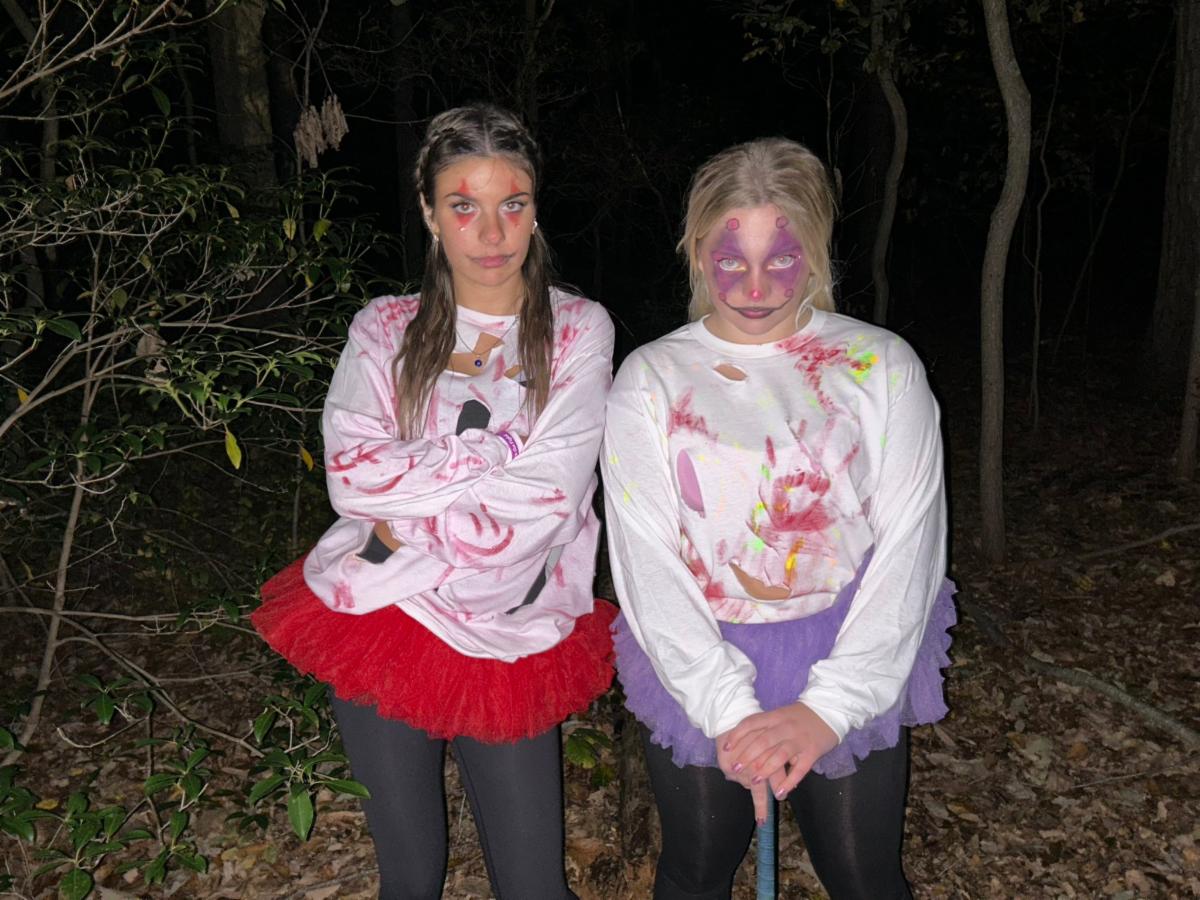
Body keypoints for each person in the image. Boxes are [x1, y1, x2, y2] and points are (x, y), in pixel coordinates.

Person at [252, 103, 616, 900]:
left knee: (534, 885)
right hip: (382, 613)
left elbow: (550, 496)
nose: (492, 232)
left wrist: (416, 493)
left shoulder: (578, 331)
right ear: (428, 211)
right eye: (464, 205)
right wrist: (490, 454)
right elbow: (351, 475)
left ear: (534, 208)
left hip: (510, 626)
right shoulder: (384, 330)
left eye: (511, 204)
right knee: (409, 877)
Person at [601, 137, 955, 900]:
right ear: (698, 252)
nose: (756, 285)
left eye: (782, 257)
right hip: (695, 652)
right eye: (732, 260)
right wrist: (725, 707)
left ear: (818, 251)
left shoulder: (883, 367)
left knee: (865, 877)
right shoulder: (651, 379)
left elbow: (911, 549)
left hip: (851, 643)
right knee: (695, 871)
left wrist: (828, 709)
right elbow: (645, 562)